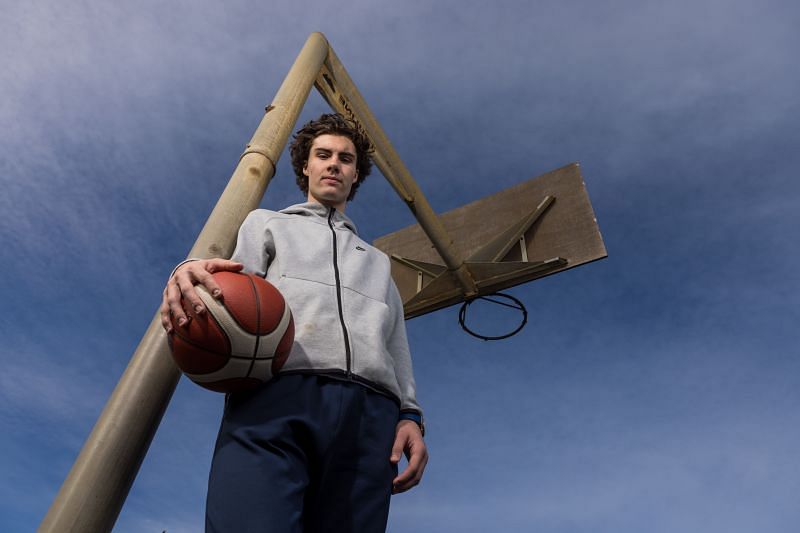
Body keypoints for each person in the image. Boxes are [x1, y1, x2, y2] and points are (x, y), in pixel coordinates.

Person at [160, 113, 427, 532]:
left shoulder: (378, 261)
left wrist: (410, 415)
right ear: (306, 165)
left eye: (345, 158)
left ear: (356, 174)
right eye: (323, 155)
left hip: (370, 414)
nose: (334, 164)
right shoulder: (266, 223)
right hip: (279, 394)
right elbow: (227, 291)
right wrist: (188, 267)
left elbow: (396, 345)